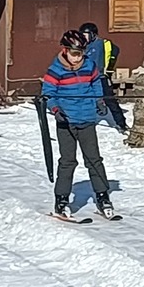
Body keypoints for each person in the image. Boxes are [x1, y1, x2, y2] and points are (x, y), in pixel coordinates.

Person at [43, 29, 118, 221]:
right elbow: (48, 93)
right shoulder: (55, 70)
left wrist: (99, 101)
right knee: (68, 161)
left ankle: (103, 197)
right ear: (66, 50)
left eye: (81, 54)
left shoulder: (90, 66)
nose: (78, 58)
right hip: (66, 122)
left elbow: (95, 84)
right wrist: (55, 110)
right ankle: (61, 200)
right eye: (75, 54)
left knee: (94, 159)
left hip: (86, 120)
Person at [79, 20, 128, 132]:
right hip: (86, 78)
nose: (83, 37)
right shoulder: (82, 46)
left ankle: (122, 124)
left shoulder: (102, 43)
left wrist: (109, 66)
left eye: (85, 35)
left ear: (92, 34)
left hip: (100, 77)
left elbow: (115, 50)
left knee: (111, 101)